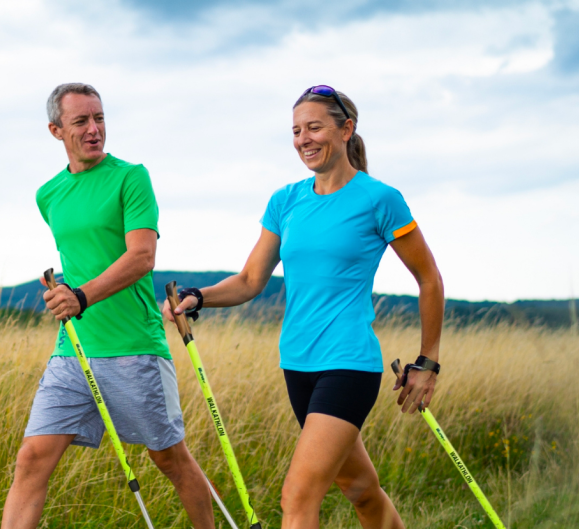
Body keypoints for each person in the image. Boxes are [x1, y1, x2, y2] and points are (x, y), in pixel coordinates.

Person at [166, 85, 444, 529]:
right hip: (297, 365)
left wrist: (427, 362)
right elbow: (249, 281)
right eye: (296, 131)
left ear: (346, 129)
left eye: (314, 127)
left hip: (348, 363)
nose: (303, 139)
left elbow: (428, 278)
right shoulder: (285, 201)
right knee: (360, 490)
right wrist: (200, 297)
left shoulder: (379, 199)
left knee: (297, 495)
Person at [0, 83, 215, 529]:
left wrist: (79, 297)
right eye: (81, 121)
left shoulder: (130, 177)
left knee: (170, 460)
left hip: (134, 346)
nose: (94, 129)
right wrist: (68, 296)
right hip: (73, 350)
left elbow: (142, 257)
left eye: (99, 118)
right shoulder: (48, 195)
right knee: (32, 458)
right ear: (56, 130)